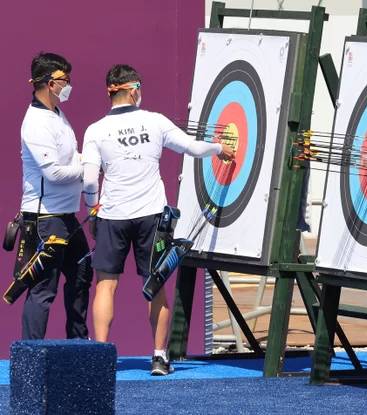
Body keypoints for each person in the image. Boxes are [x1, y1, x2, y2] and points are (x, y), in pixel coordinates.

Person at [82, 64, 234, 375]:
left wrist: (92, 209)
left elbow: (88, 181)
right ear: (133, 89)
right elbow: (192, 147)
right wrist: (219, 148)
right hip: (151, 216)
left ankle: (99, 356)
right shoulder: (154, 121)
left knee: (105, 287)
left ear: (110, 91)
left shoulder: (95, 129)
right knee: (156, 284)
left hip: (113, 215)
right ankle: (160, 356)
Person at [19, 52, 93, 339]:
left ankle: (78, 345)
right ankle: (30, 356)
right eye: (66, 80)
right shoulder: (36, 122)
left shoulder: (57, 115)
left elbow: (70, 159)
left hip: (65, 216)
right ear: (50, 83)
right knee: (43, 289)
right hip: (44, 218)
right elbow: (54, 174)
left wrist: (81, 162)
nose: (70, 85)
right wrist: (88, 165)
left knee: (82, 273)